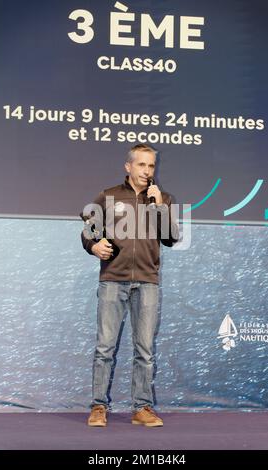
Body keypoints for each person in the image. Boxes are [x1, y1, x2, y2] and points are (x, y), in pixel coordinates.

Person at [81, 144, 179, 427]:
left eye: (151, 166)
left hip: (147, 282)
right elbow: (89, 230)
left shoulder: (163, 198)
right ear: (128, 167)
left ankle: (141, 408)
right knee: (105, 348)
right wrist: (94, 244)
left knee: (145, 350)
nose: (147, 171)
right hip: (113, 280)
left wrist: (159, 205)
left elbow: (171, 238)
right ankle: (99, 407)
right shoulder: (108, 195)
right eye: (141, 165)